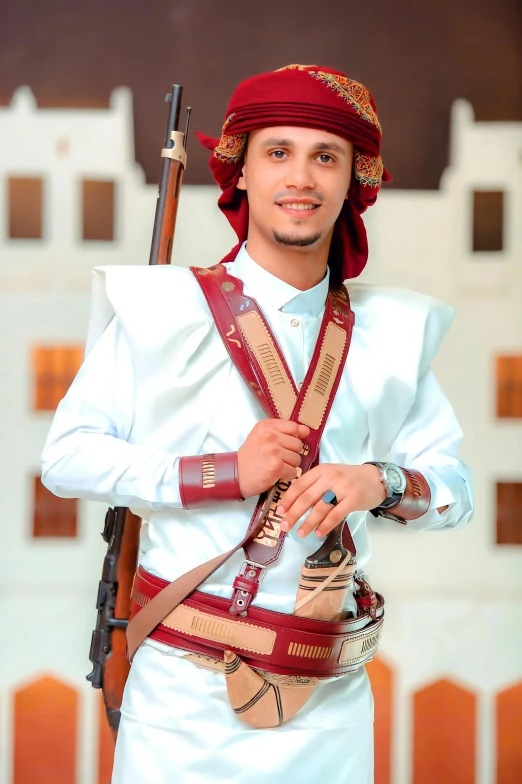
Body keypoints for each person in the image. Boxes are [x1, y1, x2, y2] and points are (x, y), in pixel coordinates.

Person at [41, 64, 474, 783]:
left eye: (324, 156)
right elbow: (68, 457)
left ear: (353, 182)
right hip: (181, 701)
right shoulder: (163, 311)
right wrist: (221, 475)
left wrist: (379, 482)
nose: (300, 178)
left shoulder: (391, 334)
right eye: (278, 153)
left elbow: (454, 489)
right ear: (240, 174)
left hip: (330, 705)